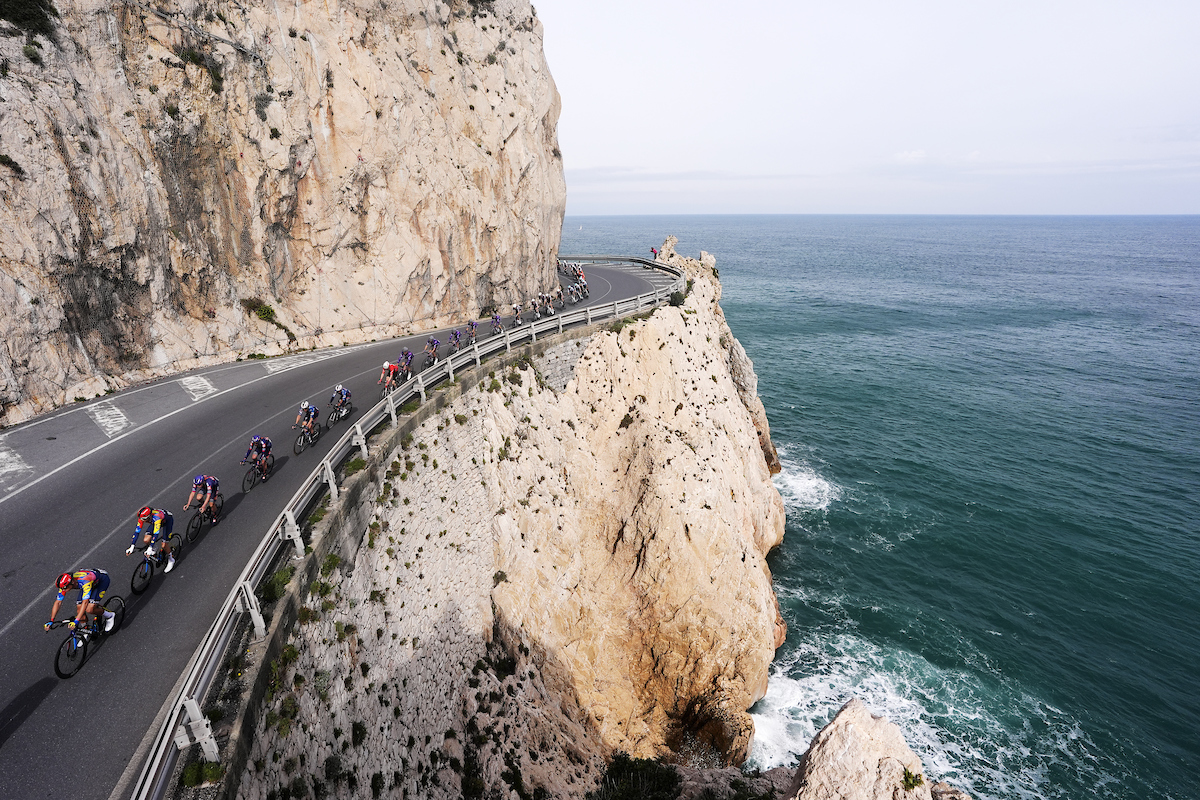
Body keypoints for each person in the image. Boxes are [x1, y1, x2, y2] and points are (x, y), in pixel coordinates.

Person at [45, 569, 115, 632]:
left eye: (65, 588)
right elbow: (58, 602)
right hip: (90, 583)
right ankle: (85, 629)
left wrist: (76, 621)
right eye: (62, 588)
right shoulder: (66, 584)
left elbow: (85, 602)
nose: (63, 590)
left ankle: (110, 616)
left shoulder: (84, 581)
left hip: (101, 581)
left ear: (72, 582)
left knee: (89, 609)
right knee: (79, 609)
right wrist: (52, 620)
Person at [125, 506, 176, 573]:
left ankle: (171, 559)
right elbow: (137, 532)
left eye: (143, 519)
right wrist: (132, 546)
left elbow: (156, 534)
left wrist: (150, 547)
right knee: (146, 540)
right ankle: (155, 548)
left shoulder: (157, 517)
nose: (142, 521)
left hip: (167, 521)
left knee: (164, 545)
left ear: (148, 517)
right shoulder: (142, 518)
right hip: (154, 522)